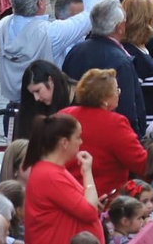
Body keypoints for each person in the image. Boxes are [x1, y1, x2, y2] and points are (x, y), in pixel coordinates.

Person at [0, 0, 101, 97]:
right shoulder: (51, 33)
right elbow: (91, 15)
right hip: (44, 105)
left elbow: (22, 7)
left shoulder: (2, 26)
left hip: (14, 105)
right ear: (40, 4)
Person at [61, 0, 146, 139]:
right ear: (119, 27)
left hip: (76, 133)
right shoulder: (120, 61)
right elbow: (127, 110)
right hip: (110, 137)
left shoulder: (76, 50)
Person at [61, 69, 147, 198]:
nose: (119, 94)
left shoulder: (64, 114)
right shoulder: (115, 123)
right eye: (116, 90)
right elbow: (140, 163)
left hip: (65, 194)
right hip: (103, 199)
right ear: (104, 99)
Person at [22, 114, 102, 243]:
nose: (81, 142)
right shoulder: (49, 176)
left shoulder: (53, 170)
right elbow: (90, 212)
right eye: (78, 137)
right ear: (64, 142)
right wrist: (87, 172)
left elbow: (84, 205)